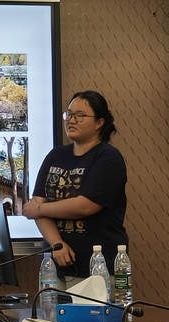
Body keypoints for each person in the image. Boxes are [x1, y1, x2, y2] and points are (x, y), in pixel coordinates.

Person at [23, 91, 128, 285]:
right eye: (69, 114)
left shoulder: (108, 158)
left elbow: (85, 206)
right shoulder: (55, 155)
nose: (71, 120)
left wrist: (39, 209)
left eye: (80, 116)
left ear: (99, 122)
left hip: (97, 267)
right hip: (54, 265)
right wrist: (57, 244)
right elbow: (37, 203)